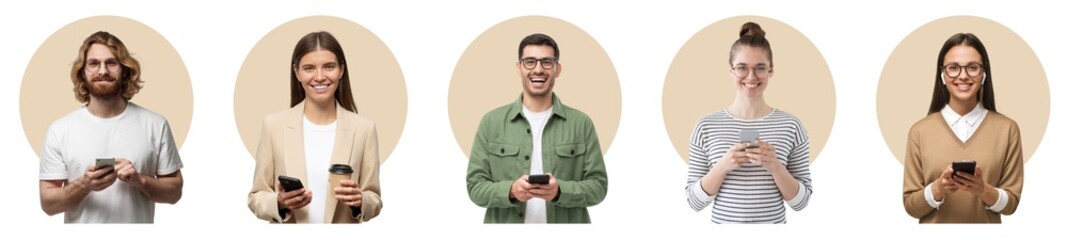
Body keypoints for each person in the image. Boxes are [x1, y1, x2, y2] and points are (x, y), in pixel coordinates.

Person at [38, 31, 185, 223]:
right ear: (82, 72)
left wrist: (139, 181)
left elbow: (174, 193)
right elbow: (48, 204)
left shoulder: (156, 124)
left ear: (124, 70)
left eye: (111, 63)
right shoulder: (60, 130)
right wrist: (84, 184)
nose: (103, 71)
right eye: (93, 63)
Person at [466, 33, 608, 223]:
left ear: (558, 69)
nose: (538, 69)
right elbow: (475, 187)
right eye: (530, 62)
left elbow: (599, 187)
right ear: (519, 68)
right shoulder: (491, 122)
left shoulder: (581, 123)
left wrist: (560, 191)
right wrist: (510, 191)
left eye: (547, 62)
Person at [684, 22, 813, 224]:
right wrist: (722, 166)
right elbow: (694, 202)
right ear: (731, 70)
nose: (751, 77)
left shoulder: (792, 125)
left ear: (771, 70)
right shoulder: (705, 126)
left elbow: (801, 203)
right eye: (742, 68)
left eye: (760, 68)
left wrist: (776, 167)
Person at [247, 31, 382, 223]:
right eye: (309, 68)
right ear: (297, 73)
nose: (319, 77)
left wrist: (360, 201)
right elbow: (256, 197)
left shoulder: (364, 129)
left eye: (329, 67)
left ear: (341, 70)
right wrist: (279, 202)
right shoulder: (273, 126)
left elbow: (374, 199)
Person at [902, 33, 1023, 223]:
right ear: (942, 74)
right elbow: (911, 206)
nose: (963, 75)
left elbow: (1011, 204)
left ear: (984, 73)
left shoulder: (1007, 129)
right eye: (953, 68)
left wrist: (983, 189)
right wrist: (937, 189)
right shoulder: (919, 132)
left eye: (972, 67)